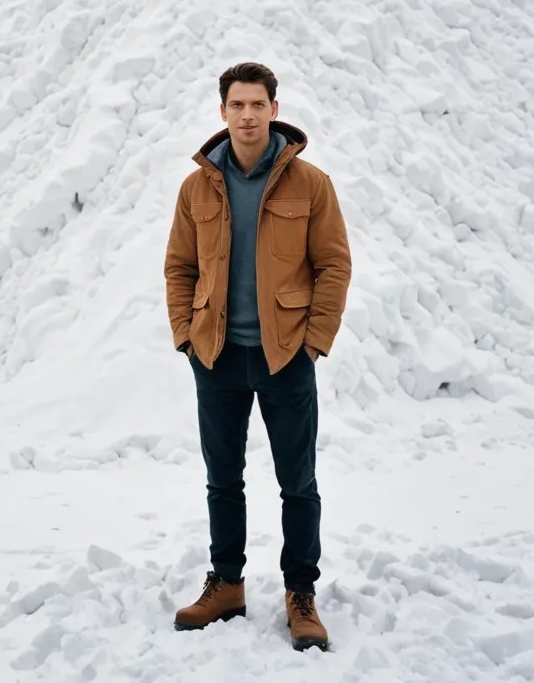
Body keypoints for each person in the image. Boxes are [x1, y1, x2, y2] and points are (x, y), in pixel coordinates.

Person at [163, 62, 351, 652]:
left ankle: (301, 593)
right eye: (236, 105)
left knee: (298, 482)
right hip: (216, 355)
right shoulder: (198, 186)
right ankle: (227, 583)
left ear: (275, 109)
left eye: (257, 105)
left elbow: (334, 267)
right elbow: (179, 267)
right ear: (222, 112)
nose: (247, 115)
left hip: (284, 355)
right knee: (223, 480)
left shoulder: (311, 184)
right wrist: (186, 337)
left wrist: (313, 343)